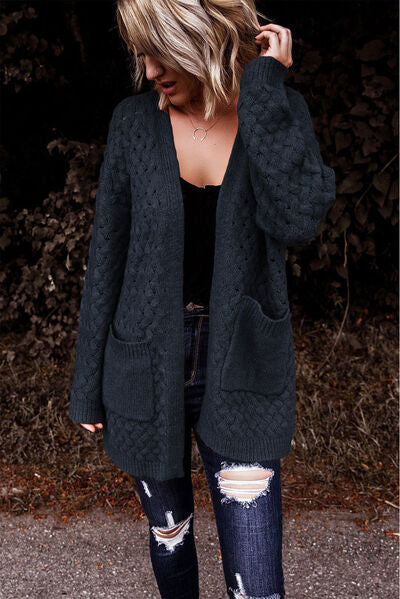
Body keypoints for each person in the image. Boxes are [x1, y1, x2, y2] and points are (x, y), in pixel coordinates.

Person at [68, 1, 336, 597]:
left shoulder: (275, 110)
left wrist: (263, 89)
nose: (149, 70)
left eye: (161, 51)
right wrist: (87, 382)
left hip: (243, 359)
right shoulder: (134, 122)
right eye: (142, 54)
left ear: (202, 40)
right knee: (171, 541)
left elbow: (296, 220)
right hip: (144, 359)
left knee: (257, 581)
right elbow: (107, 253)